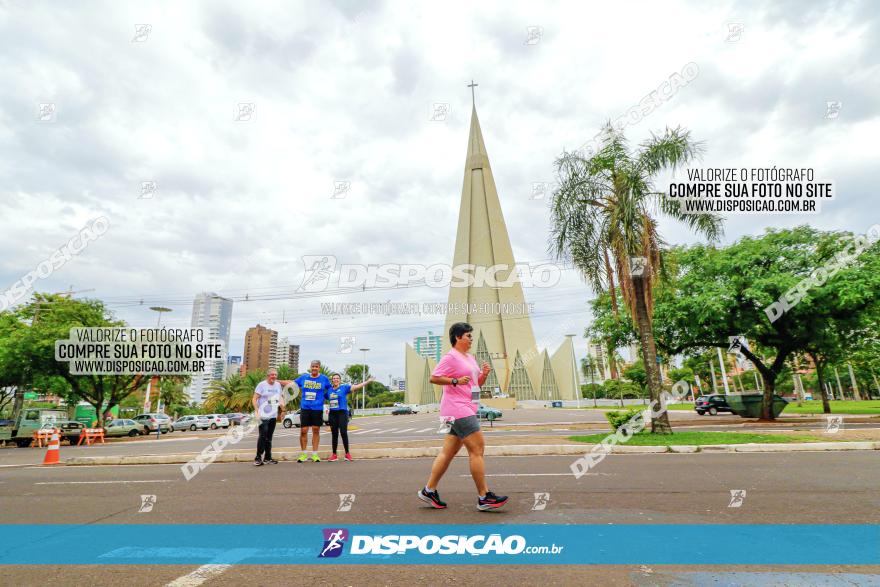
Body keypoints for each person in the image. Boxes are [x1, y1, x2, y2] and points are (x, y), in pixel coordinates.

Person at [418, 322, 508, 511]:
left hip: (463, 408)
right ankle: (484, 497)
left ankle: (429, 490)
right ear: (458, 337)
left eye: (471, 336)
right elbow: (434, 377)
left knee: (447, 453)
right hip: (457, 409)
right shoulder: (450, 357)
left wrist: (483, 375)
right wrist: (455, 380)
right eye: (468, 336)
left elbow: (475, 386)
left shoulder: (469, 358)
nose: (471, 339)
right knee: (477, 450)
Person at [327, 373, 374, 462]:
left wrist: (367, 382)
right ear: (332, 380)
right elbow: (321, 396)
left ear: (340, 380)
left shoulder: (344, 388)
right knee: (334, 434)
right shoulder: (329, 390)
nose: (336, 379)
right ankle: (334, 455)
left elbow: (357, 386)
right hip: (332, 414)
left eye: (337, 378)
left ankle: (347, 454)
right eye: (334, 378)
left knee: (343, 433)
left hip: (342, 413)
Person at [293, 360, 331, 462]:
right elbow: (292, 383)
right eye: (313, 366)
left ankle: (315, 454)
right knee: (303, 431)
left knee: (315, 430)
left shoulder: (324, 379)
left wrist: (332, 395)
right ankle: (304, 454)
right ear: (310, 367)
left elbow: (331, 389)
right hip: (305, 408)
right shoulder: (304, 377)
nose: (314, 368)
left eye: (316, 366)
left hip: (317, 408)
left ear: (319, 368)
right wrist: (278, 381)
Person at [251, 368, 284, 466]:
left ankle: (268, 458)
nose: (274, 376)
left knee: (269, 437)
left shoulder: (278, 385)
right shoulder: (262, 385)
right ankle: (258, 458)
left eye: (275, 375)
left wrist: (283, 410)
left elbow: (280, 398)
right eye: (272, 374)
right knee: (263, 435)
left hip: (273, 415)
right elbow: (254, 398)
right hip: (263, 415)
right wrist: (256, 411)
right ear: (268, 375)